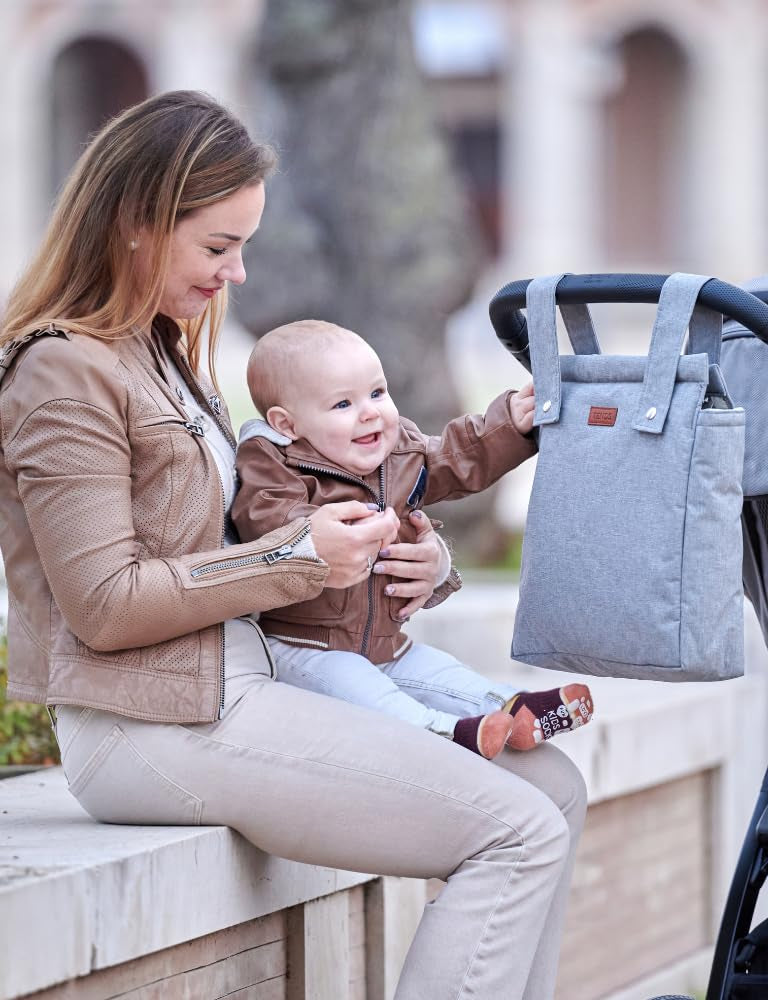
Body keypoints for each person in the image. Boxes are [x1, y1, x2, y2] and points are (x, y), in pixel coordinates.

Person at [0, 91, 587, 1000]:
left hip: (250, 684)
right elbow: (104, 605)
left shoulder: (163, 355)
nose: (236, 275)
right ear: (134, 225)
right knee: (516, 829)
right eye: (216, 246)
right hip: (151, 727)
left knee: (553, 787)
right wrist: (298, 558)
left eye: (243, 246)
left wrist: (421, 569)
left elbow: (282, 514)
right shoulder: (60, 372)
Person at [232, 319, 594, 759]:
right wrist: (326, 531)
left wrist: (510, 425)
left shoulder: (398, 452)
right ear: (287, 424)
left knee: (441, 672)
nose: (369, 412)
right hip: (303, 647)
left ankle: (514, 709)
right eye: (343, 403)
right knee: (367, 693)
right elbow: (268, 516)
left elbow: (456, 457)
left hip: (386, 644)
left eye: (377, 393)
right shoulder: (275, 464)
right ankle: (444, 732)